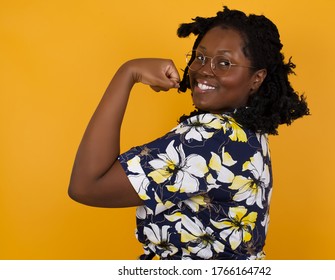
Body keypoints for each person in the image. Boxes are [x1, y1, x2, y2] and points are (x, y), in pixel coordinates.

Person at [68, 6, 309, 260]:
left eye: (224, 63)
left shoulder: (210, 138)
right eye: (200, 57)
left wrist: (128, 73)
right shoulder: (245, 131)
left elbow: (86, 185)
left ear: (257, 78)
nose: (205, 70)